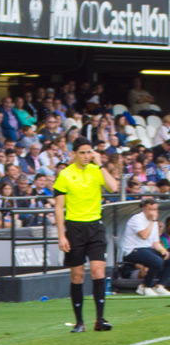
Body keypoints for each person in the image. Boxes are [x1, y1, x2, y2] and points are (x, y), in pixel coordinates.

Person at [53, 137, 118, 332]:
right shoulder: (65, 175)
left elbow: (113, 187)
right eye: (82, 152)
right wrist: (61, 235)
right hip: (75, 228)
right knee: (78, 275)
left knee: (99, 271)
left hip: (95, 226)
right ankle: (80, 321)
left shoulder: (95, 171)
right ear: (73, 154)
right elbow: (58, 208)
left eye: (89, 152)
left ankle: (100, 319)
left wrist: (100, 165)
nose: (86, 156)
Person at [121, 197, 170, 297]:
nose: (153, 212)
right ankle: (145, 286)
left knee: (168, 258)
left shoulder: (155, 222)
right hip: (132, 250)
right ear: (144, 208)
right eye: (150, 209)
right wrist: (152, 221)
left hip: (147, 249)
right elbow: (144, 236)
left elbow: (155, 242)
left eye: (155, 209)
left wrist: (163, 250)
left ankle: (160, 285)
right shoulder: (136, 219)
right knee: (157, 261)